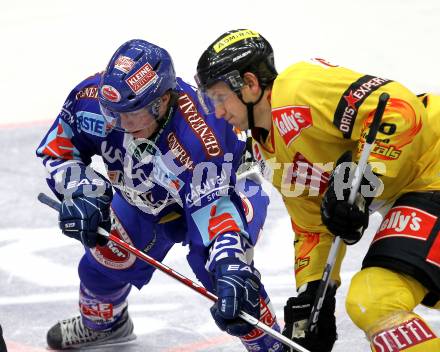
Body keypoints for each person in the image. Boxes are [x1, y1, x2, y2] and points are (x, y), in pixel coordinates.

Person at [195, 29, 440, 352]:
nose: (218, 112)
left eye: (220, 97)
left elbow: (398, 108)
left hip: (430, 168)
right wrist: (314, 294)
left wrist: (363, 180)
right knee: (377, 296)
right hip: (421, 188)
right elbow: (312, 226)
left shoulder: (298, 87)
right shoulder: (267, 149)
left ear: (251, 85)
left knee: (375, 298)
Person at [36, 39, 283, 351]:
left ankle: (270, 343)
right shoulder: (92, 99)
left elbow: (216, 213)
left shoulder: (202, 133)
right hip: (144, 198)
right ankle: (105, 324)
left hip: (224, 194)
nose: (121, 124)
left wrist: (231, 260)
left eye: (133, 113)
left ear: (163, 100)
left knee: (228, 279)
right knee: (105, 256)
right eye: (114, 112)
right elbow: (59, 149)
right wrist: (80, 189)